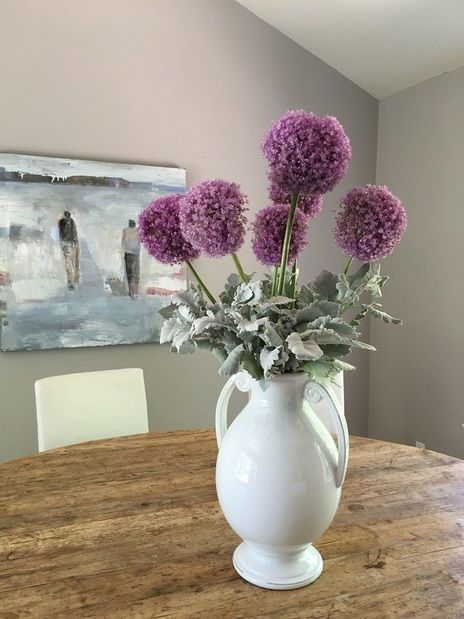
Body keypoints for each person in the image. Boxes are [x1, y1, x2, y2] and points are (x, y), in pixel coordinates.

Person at [58, 211, 79, 290]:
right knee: (70, 263)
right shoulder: (63, 222)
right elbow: (73, 232)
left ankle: (73, 280)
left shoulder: (64, 222)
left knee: (71, 262)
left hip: (69, 243)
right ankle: (71, 281)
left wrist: (75, 242)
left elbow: (74, 232)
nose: (67, 218)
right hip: (68, 243)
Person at [122, 219, 140, 298]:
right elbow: (139, 243)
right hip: (135, 255)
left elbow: (123, 243)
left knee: (129, 274)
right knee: (135, 274)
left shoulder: (125, 231)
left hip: (127, 254)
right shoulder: (138, 231)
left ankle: (131, 292)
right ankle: (135, 292)